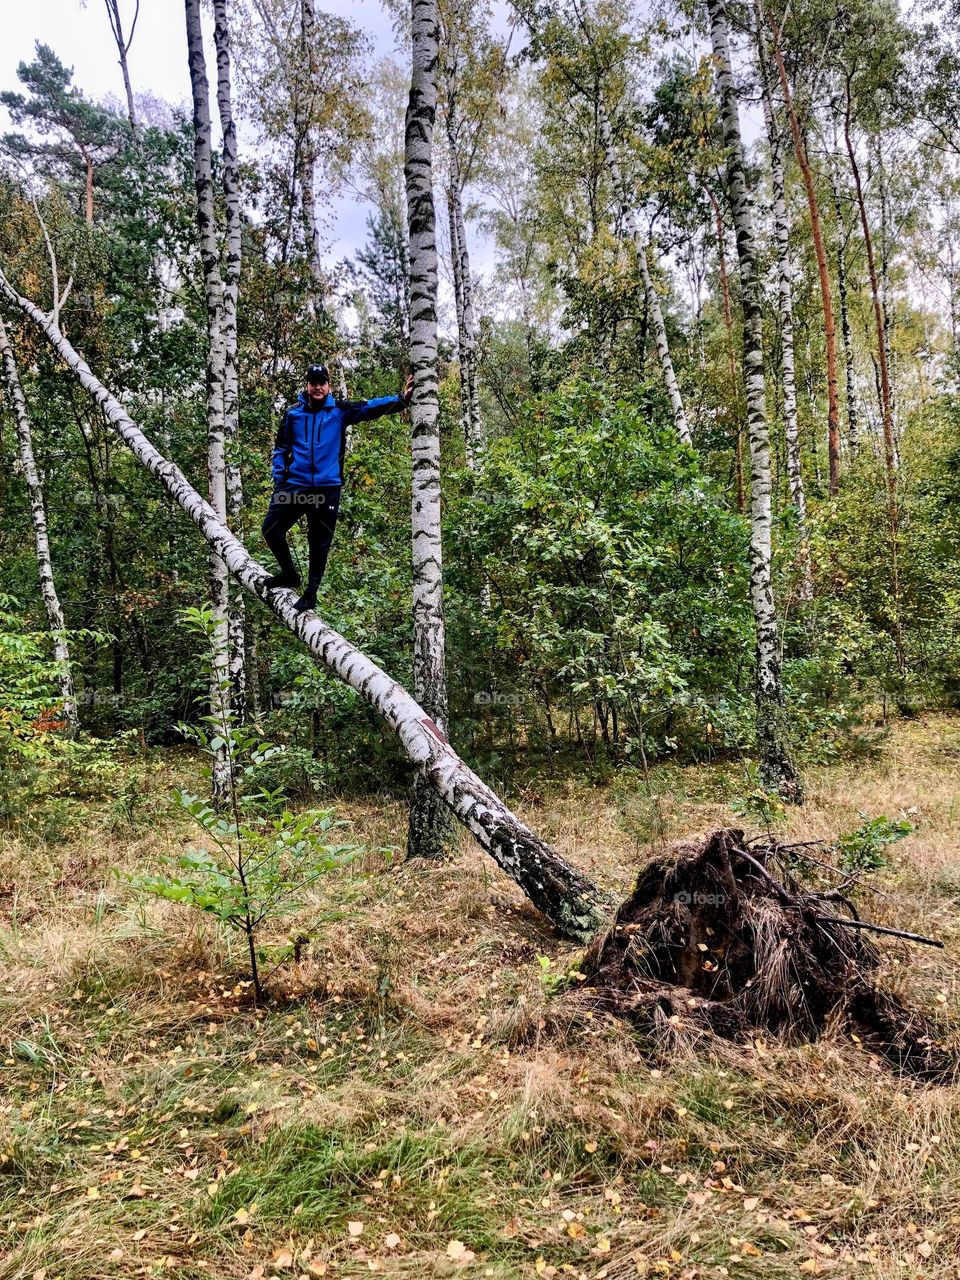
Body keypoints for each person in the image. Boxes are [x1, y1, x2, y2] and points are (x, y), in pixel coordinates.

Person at [262, 364, 413, 613]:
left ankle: (310, 593)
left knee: (318, 542)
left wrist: (401, 400)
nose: (317, 387)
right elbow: (280, 449)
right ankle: (289, 574)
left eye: (322, 382)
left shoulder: (339, 411)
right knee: (271, 529)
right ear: (307, 385)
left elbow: (369, 407)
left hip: (326, 489)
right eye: (313, 382)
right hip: (295, 486)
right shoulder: (292, 414)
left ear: (328, 386)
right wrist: (280, 481)